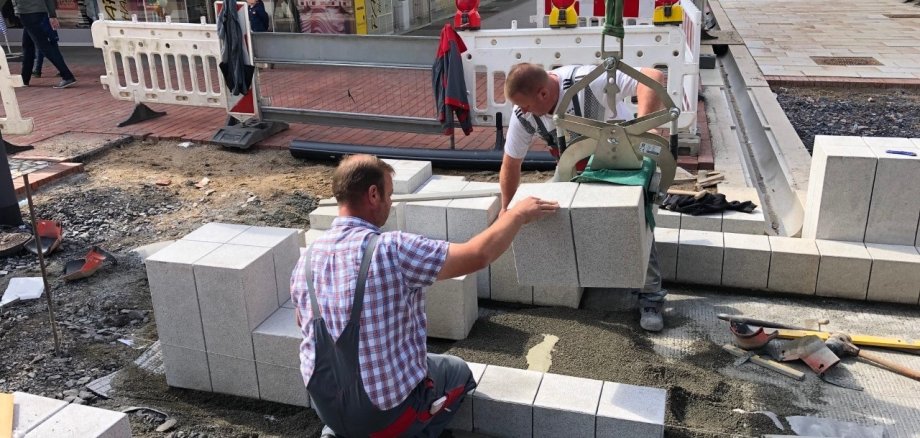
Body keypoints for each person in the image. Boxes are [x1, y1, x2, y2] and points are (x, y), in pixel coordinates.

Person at [291, 155, 558, 437]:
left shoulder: (306, 261)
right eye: (389, 194)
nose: (391, 203)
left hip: (327, 406)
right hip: (384, 414)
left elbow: (304, 322)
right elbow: (477, 255)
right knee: (457, 372)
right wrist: (517, 215)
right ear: (373, 194)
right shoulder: (392, 249)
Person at [499, 62, 668, 332]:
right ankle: (575, 274)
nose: (523, 111)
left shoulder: (588, 82)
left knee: (633, 221)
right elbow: (511, 164)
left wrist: (644, 126)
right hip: (574, 166)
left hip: (620, 164)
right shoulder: (524, 113)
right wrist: (505, 210)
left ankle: (650, 297)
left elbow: (652, 76)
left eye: (527, 105)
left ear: (543, 93)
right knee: (550, 210)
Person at [4, 0, 77, 88]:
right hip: (40, 11)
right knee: (28, 45)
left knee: (44, 46)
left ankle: (67, 76)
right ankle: (24, 79)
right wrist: (52, 14)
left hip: (27, 12)